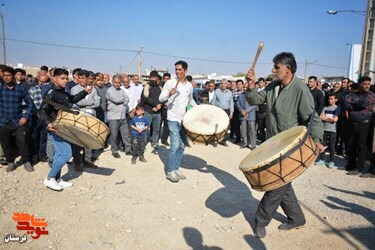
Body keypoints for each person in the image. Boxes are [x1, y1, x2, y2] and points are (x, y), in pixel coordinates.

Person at [245, 52, 324, 238]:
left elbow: (311, 117)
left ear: (288, 69)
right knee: (283, 183)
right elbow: (255, 100)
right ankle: (297, 218)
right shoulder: (273, 86)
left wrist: (317, 139)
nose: (273, 70)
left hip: (289, 147)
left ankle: (260, 221)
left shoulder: (300, 89)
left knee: (276, 186)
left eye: (277, 67)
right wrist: (250, 86)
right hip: (272, 143)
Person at [39, 68, 91, 191]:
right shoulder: (51, 92)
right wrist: (48, 124)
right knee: (66, 154)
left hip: (63, 127)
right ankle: (49, 178)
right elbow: (43, 110)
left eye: (66, 78)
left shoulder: (63, 92)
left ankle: (56, 179)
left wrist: (85, 92)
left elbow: (71, 100)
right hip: (55, 128)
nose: (65, 81)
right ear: (54, 78)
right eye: (62, 78)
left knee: (59, 154)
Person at [159, 60, 197, 182]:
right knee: (175, 145)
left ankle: (176, 169)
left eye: (180, 69)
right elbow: (161, 98)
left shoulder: (189, 86)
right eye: (176, 69)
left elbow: (190, 100)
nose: (177, 71)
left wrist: (200, 110)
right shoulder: (170, 83)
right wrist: (169, 94)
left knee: (181, 145)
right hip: (172, 118)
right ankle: (170, 171)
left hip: (183, 119)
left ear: (185, 71)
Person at [0, 66, 34, 172]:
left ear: (13, 76)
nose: (6, 78)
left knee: (22, 142)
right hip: (3, 122)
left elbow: (31, 105)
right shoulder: (0, 88)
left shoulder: (20, 89)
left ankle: (26, 161)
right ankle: (11, 162)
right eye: (4, 75)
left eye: (8, 75)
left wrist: (25, 117)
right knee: (6, 144)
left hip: (17, 122)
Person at [344, 76, 375, 177]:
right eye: (365, 84)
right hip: (353, 124)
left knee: (362, 146)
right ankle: (351, 165)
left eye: (368, 84)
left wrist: (355, 105)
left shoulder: (371, 95)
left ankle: (359, 168)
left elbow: (365, 103)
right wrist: (358, 105)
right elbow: (347, 104)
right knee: (351, 144)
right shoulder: (352, 95)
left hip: (364, 124)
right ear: (360, 84)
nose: (367, 86)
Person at [106, 75, 131, 158]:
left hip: (122, 116)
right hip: (113, 117)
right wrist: (123, 100)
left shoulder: (121, 90)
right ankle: (114, 150)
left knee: (126, 134)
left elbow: (127, 99)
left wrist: (122, 101)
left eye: (119, 83)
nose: (117, 84)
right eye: (115, 82)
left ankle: (128, 149)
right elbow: (116, 100)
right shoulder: (109, 91)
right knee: (114, 135)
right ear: (112, 82)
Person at [316, 92, 341, 168]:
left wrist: (326, 118)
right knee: (322, 144)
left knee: (332, 146)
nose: (330, 100)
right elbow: (321, 117)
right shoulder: (325, 107)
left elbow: (335, 119)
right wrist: (329, 118)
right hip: (324, 129)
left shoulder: (337, 108)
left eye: (332, 99)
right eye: (329, 99)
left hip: (332, 130)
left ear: (336, 99)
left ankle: (331, 160)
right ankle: (322, 159)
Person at [141, 70, 162, 154]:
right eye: (151, 77)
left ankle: (154, 143)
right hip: (148, 112)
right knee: (145, 129)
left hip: (158, 112)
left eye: (154, 77)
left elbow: (163, 98)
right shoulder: (147, 86)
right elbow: (145, 98)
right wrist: (154, 105)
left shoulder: (160, 87)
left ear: (157, 78)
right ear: (150, 78)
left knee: (156, 130)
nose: (153, 78)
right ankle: (143, 145)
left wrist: (159, 105)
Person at [211, 79, 234, 146]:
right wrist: (213, 110)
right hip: (218, 111)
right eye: (222, 83)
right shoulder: (217, 91)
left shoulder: (230, 93)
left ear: (227, 84)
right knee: (217, 126)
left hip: (227, 111)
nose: (223, 85)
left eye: (224, 83)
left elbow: (231, 104)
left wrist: (231, 113)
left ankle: (223, 140)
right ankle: (215, 140)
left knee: (226, 126)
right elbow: (213, 101)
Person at [160, 72, 171, 146]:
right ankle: (155, 139)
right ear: (163, 79)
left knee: (167, 125)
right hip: (160, 108)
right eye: (165, 78)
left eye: (168, 78)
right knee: (158, 125)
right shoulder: (160, 86)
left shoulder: (172, 87)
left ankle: (164, 139)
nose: (166, 80)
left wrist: (168, 105)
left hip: (169, 109)